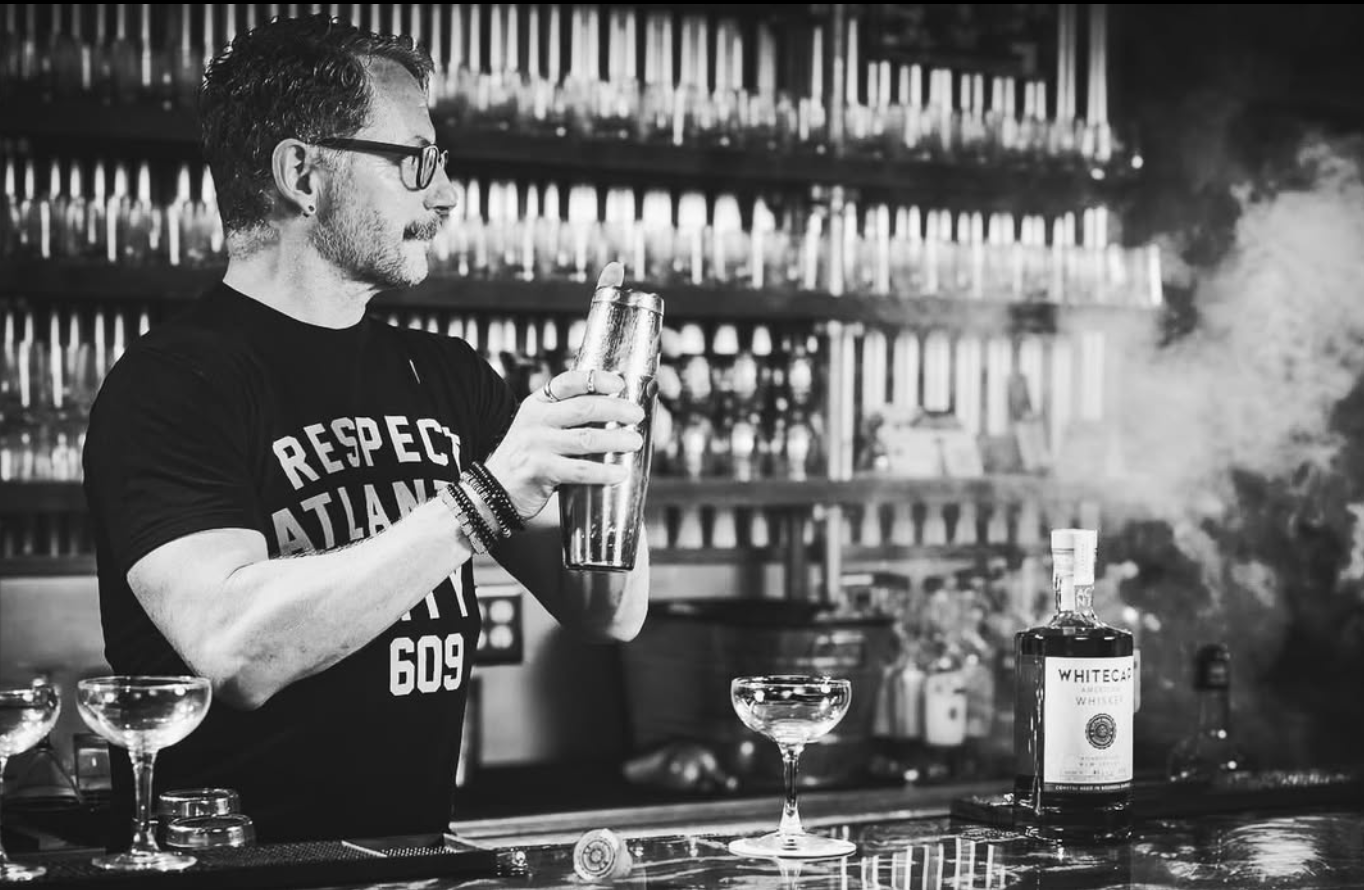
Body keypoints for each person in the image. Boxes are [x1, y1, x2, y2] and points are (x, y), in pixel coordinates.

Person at [81, 14, 650, 844]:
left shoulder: (448, 377)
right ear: (302, 175)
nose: (446, 195)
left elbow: (605, 609)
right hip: (235, 873)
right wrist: (484, 499)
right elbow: (236, 652)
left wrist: (619, 412)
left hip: (410, 865)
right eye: (417, 161)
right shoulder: (174, 383)